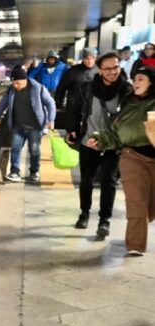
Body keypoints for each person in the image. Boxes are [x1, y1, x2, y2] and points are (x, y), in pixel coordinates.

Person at [88, 68, 155, 256]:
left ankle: (140, 220)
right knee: (137, 203)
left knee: (149, 207)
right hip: (132, 158)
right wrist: (101, 139)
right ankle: (135, 244)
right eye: (134, 79)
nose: (136, 82)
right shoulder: (129, 103)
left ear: (151, 83)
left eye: (141, 79)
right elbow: (117, 134)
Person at [67, 52, 132, 237]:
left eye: (116, 67)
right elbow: (76, 108)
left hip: (113, 144)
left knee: (108, 181)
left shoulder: (126, 89)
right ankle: (84, 213)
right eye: (108, 68)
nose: (113, 72)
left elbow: (128, 118)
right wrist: (72, 128)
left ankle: (105, 220)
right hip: (89, 141)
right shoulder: (88, 87)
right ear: (100, 69)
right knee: (86, 180)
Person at [0, 65, 57, 183]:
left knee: (34, 150)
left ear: (24, 80)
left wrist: (51, 120)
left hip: (35, 126)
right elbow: (3, 103)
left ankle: (34, 172)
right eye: (13, 82)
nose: (14, 85)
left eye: (17, 83)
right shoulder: (11, 90)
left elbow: (50, 103)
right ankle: (15, 172)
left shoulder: (38, 88)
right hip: (18, 126)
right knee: (16, 148)